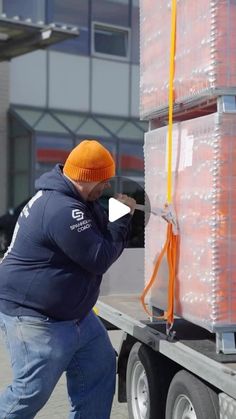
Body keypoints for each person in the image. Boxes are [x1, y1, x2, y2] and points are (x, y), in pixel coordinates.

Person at [0, 139, 136, 419]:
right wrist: (122, 219)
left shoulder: (77, 198)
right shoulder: (60, 208)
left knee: (99, 368)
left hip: (77, 317)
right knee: (30, 393)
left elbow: (98, 232)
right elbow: (98, 256)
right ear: (88, 178)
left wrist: (117, 214)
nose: (108, 187)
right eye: (104, 180)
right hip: (36, 317)